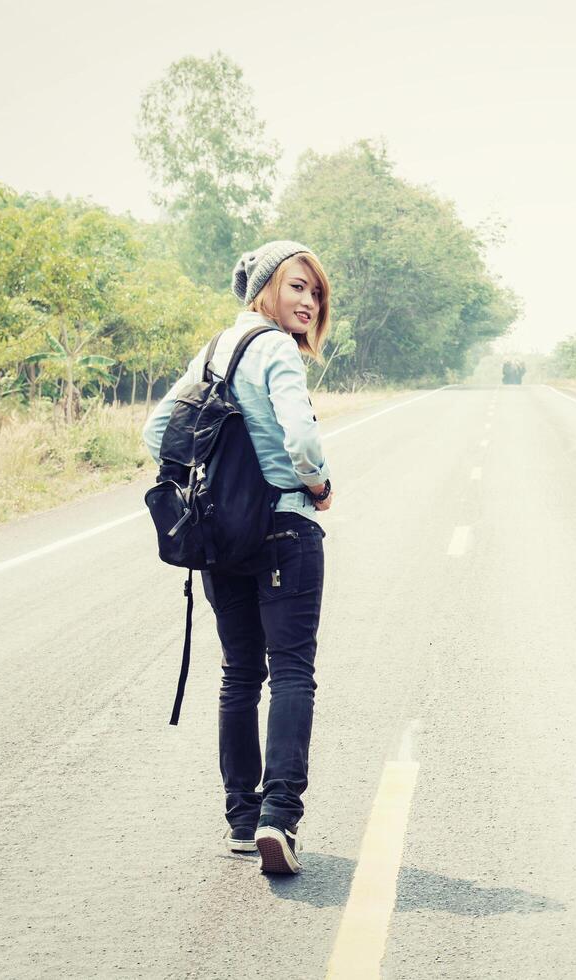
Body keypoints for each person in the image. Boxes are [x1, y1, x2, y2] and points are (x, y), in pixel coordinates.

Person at [142, 240, 334, 875]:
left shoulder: (213, 351)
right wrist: (316, 483)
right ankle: (281, 813)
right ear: (265, 290)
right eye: (296, 287)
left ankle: (242, 821)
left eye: (314, 291)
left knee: (240, 676)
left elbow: (155, 432)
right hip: (284, 527)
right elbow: (301, 437)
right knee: (292, 673)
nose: (307, 301)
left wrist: (218, 483)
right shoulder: (275, 348)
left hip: (221, 538)